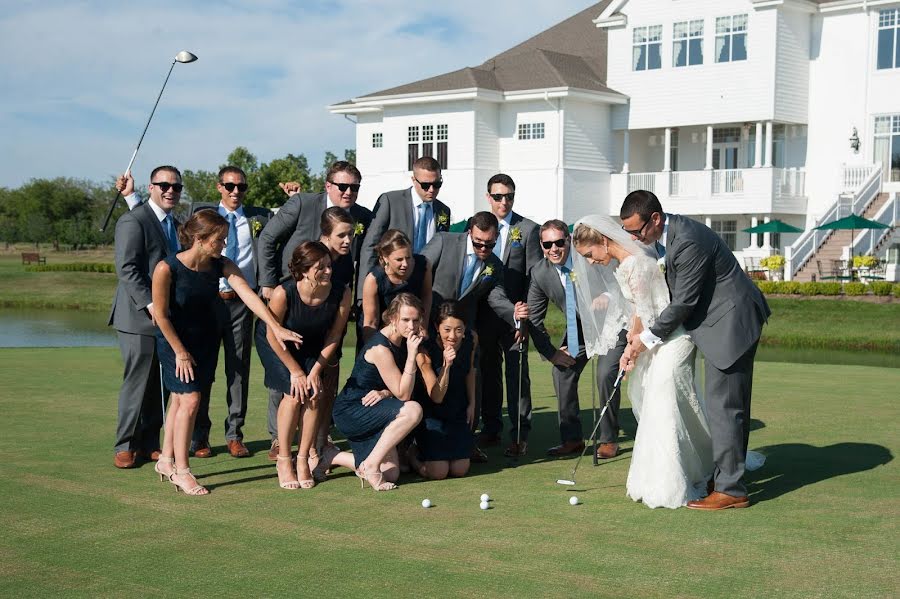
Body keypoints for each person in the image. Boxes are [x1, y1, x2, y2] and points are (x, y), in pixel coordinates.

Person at [618, 190, 770, 510]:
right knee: (727, 406)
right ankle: (727, 476)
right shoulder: (668, 237)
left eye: (637, 230)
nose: (633, 237)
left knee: (724, 408)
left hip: (730, 323)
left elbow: (683, 302)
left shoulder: (687, 239)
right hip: (718, 323)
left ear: (655, 219)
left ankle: (731, 490)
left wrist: (645, 339)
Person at [152, 211, 302, 495]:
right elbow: (160, 316)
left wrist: (275, 326)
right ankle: (182, 472)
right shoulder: (166, 269)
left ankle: (165, 460)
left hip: (205, 340)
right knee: (190, 400)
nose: (223, 245)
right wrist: (180, 352)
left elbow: (248, 295)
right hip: (174, 342)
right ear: (199, 239)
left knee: (180, 400)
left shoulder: (221, 265)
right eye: (219, 240)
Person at [572, 215, 713, 509]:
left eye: (589, 254)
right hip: (654, 340)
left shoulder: (637, 263)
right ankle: (694, 468)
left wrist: (634, 349)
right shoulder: (626, 265)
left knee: (663, 401)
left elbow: (652, 313)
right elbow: (638, 313)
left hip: (675, 340)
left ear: (603, 241)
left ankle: (674, 481)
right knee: (661, 403)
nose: (590, 262)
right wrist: (630, 347)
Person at [257, 161, 373, 459]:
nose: (349, 192)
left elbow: (365, 260)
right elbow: (268, 239)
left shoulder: (361, 217)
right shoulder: (301, 204)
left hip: (330, 306)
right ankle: (279, 440)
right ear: (328, 185)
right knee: (287, 376)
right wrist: (269, 284)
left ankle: (319, 440)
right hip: (291, 299)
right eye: (343, 186)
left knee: (325, 377)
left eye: (355, 187)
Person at [421, 210, 528, 463]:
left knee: (471, 378)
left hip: (462, 333)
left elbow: (496, 297)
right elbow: (420, 269)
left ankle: (466, 442)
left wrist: (513, 311)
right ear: (470, 233)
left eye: (489, 244)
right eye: (478, 243)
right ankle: (420, 442)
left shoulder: (494, 265)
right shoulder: (445, 241)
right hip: (430, 325)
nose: (483, 248)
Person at [188, 166, 273, 459]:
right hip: (209, 302)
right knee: (205, 369)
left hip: (242, 302)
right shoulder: (202, 216)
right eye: (230, 186)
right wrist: (131, 197)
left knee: (238, 370)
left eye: (241, 186)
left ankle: (235, 434)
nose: (236, 191)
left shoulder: (260, 217)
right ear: (219, 187)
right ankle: (200, 437)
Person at [255, 241, 351, 489]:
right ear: (304, 270)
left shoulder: (342, 292)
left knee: (315, 394)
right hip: (278, 345)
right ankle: (284, 460)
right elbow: (271, 335)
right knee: (293, 393)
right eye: (321, 267)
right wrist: (296, 372)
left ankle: (303, 459)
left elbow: (334, 336)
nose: (328, 272)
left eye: (329, 265)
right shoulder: (283, 292)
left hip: (314, 346)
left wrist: (316, 370)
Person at [109, 166, 183, 469]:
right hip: (137, 316)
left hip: (167, 317)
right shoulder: (133, 220)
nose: (170, 191)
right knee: (138, 381)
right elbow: (127, 269)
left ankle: (150, 442)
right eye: (163, 185)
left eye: (176, 187)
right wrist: (151, 304)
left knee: (160, 383)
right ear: (151, 187)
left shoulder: (175, 224)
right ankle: (125, 445)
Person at [527, 220, 621, 457]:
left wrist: (607, 296)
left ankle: (609, 439)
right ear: (541, 245)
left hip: (614, 321)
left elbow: (620, 277)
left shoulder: (587, 254)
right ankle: (572, 439)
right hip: (578, 327)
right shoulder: (539, 272)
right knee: (561, 371)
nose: (554, 249)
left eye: (559, 242)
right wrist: (552, 353)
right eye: (548, 244)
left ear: (568, 240)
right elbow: (535, 320)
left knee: (605, 373)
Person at [469, 174, 541, 457]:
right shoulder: (475, 227)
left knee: (517, 375)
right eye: (498, 196)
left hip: (515, 315)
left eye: (509, 196)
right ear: (488, 197)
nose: (504, 201)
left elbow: (534, 281)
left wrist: (523, 319)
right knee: (487, 373)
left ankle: (520, 435)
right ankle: (491, 429)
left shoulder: (528, 230)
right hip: (484, 316)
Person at [327, 293, 425, 491]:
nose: (411, 326)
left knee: (391, 474)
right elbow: (404, 395)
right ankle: (370, 465)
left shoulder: (406, 339)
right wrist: (412, 355)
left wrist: (386, 393)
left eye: (416, 320)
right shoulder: (382, 348)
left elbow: (399, 391)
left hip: (378, 408)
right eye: (405, 320)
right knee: (413, 410)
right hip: (353, 410)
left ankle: (332, 456)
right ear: (392, 318)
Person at [357, 156, 451, 295]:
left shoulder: (443, 211)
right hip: (389, 284)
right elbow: (370, 246)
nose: (431, 190)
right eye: (425, 185)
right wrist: (363, 294)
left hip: (424, 285)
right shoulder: (390, 201)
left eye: (437, 184)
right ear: (414, 180)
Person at [407, 301, 476, 480]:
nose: (453, 336)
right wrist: (446, 366)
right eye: (447, 329)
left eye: (459, 329)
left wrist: (472, 403)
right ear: (437, 327)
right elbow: (436, 397)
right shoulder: (424, 351)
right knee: (438, 472)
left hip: (457, 410)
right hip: (432, 414)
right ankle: (411, 454)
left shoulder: (471, 340)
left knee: (460, 469)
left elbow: (470, 372)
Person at [360, 229, 432, 341]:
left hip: (413, 327)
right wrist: (374, 348)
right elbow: (371, 322)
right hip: (384, 331)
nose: (405, 264)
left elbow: (426, 295)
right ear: (385, 257)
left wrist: (423, 326)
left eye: (408, 257)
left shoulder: (423, 265)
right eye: (399, 259)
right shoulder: (374, 279)